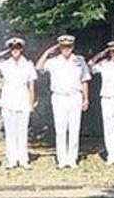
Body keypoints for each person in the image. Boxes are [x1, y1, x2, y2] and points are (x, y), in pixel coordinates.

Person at [36, 34, 91, 169]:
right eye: (63, 47)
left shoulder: (79, 60)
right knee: (60, 129)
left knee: (74, 129)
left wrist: (86, 98)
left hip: (75, 96)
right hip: (59, 97)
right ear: (60, 47)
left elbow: (84, 80)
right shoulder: (53, 61)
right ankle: (62, 159)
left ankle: (72, 159)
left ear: (72, 47)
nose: (66, 49)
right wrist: (47, 52)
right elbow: (38, 67)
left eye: (69, 47)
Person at [0, 37, 37, 169]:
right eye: (13, 48)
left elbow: (31, 86)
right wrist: (2, 53)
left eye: (18, 48)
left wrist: (31, 104)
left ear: (22, 49)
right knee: (10, 131)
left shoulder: (28, 64)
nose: (15, 51)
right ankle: (12, 159)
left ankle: (23, 159)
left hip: (23, 99)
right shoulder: (4, 63)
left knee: (22, 131)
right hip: (8, 100)